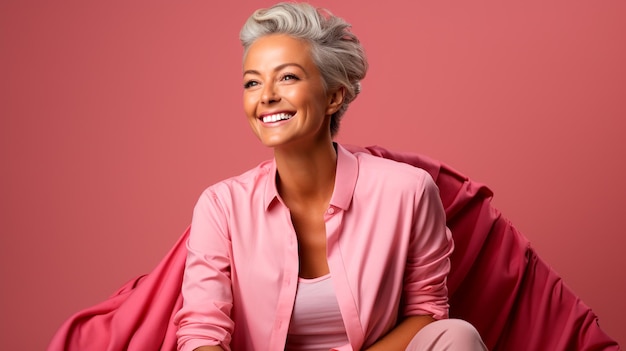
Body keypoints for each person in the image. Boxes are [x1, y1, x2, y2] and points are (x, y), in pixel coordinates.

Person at [174, 3, 487, 351]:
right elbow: (203, 333)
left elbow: (427, 311)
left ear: (334, 96)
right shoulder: (221, 206)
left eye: (287, 77)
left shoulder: (407, 191)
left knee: (458, 337)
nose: (267, 96)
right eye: (252, 82)